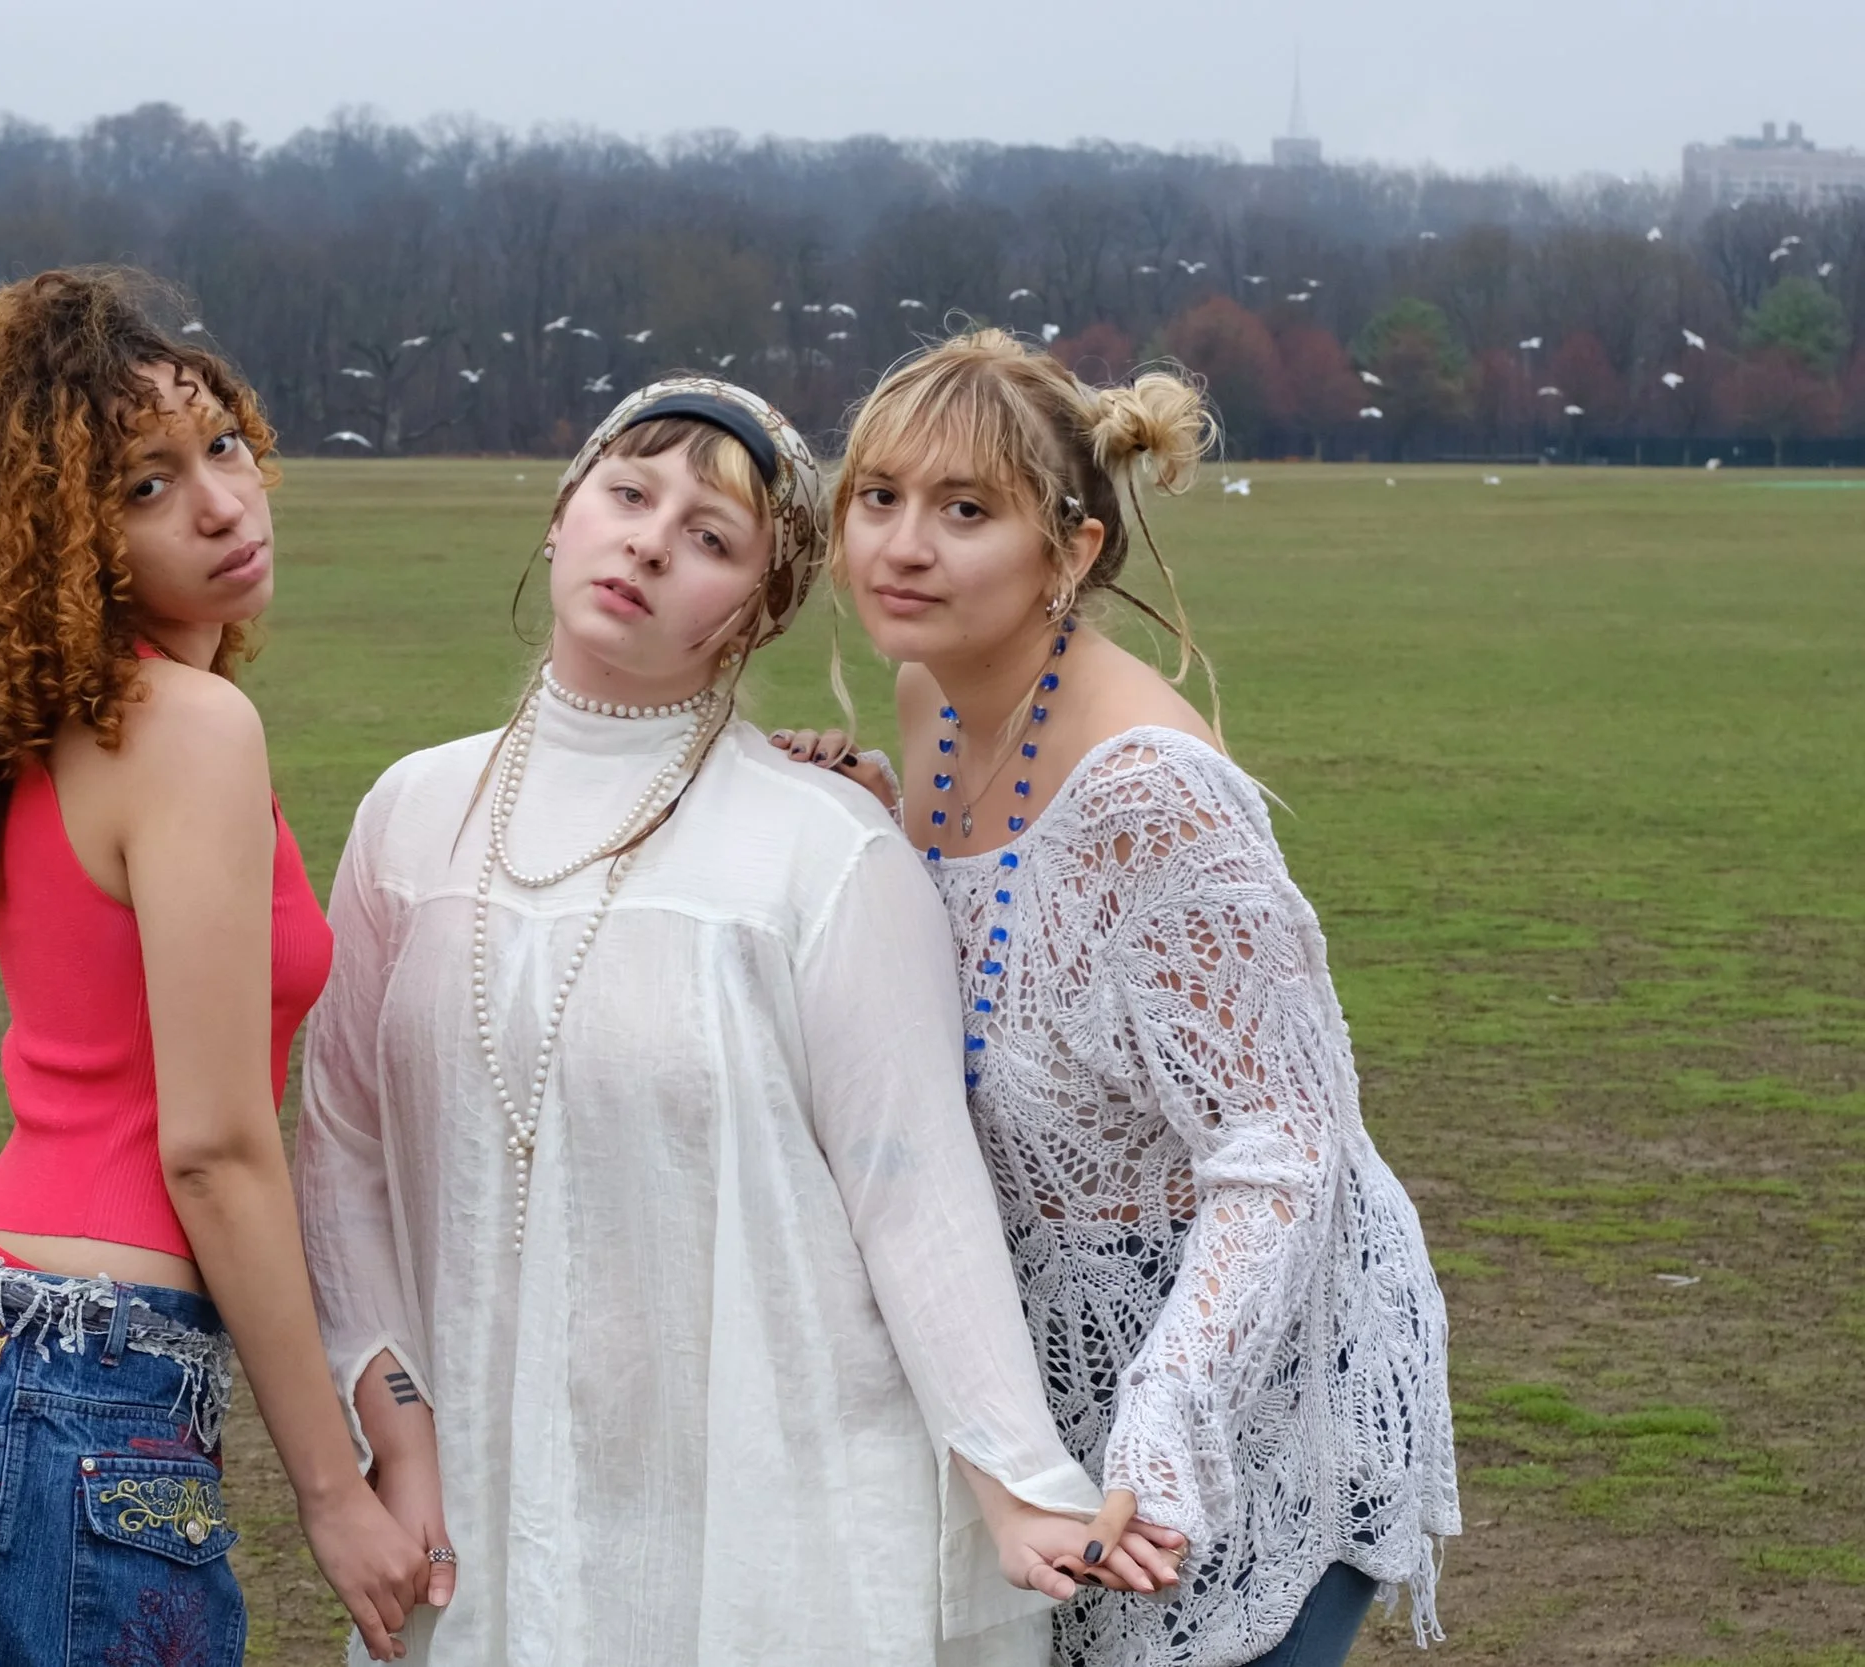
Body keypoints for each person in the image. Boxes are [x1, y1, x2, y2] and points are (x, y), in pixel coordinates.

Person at [294, 377, 1185, 1667]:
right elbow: (343, 1153)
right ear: (562, 514)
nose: (651, 542)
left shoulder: (821, 850)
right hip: (484, 1504)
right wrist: (401, 1437)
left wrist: (1013, 1472)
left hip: (769, 1511)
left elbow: (911, 1182)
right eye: (627, 493)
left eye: (713, 537)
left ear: (760, 610)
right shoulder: (409, 819)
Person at [772, 328, 1460, 1667]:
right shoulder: (931, 701)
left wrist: (1171, 1415)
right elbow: (988, 973)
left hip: (1241, 1385)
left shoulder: (1155, 795)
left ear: (1072, 551)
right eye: (880, 498)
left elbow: (1284, 1141)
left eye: (965, 510)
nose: (904, 544)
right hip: (1051, 1384)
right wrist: (864, 822)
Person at [0, 268, 429, 1667]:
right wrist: (330, 1493)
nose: (222, 501)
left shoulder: (77, 725)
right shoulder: (189, 728)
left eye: (220, 446)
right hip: (73, 1376)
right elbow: (212, 1146)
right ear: (62, 539)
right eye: (146, 486)